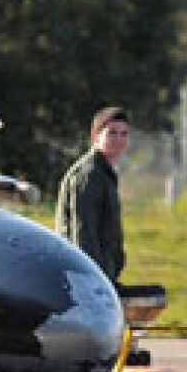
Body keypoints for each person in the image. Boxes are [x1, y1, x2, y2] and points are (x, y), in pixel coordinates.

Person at [55, 106, 131, 283]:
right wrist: (95, 281)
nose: (118, 140)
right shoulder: (89, 175)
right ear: (96, 135)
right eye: (112, 133)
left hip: (101, 276)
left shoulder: (104, 174)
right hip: (85, 278)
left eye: (124, 134)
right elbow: (83, 235)